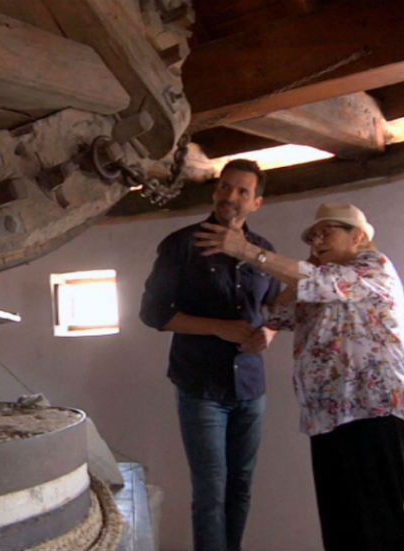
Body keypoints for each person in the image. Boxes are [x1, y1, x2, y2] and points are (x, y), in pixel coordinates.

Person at [194, 202, 404, 551]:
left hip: (372, 412)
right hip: (327, 417)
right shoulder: (323, 279)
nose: (317, 240)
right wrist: (300, 276)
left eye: (327, 232)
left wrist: (247, 251)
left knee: (376, 526)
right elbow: (278, 311)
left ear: (358, 237)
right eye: (313, 236)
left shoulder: (372, 267)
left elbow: (317, 283)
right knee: (342, 530)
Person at [140, 159, 280, 551]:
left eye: (242, 191)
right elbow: (153, 313)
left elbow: (275, 306)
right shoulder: (182, 244)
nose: (230, 196)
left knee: (241, 487)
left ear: (256, 203)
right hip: (201, 386)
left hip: (250, 387)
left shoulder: (264, 252)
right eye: (224, 187)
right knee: (211, 493)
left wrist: (270, 332)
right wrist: (218, 327)